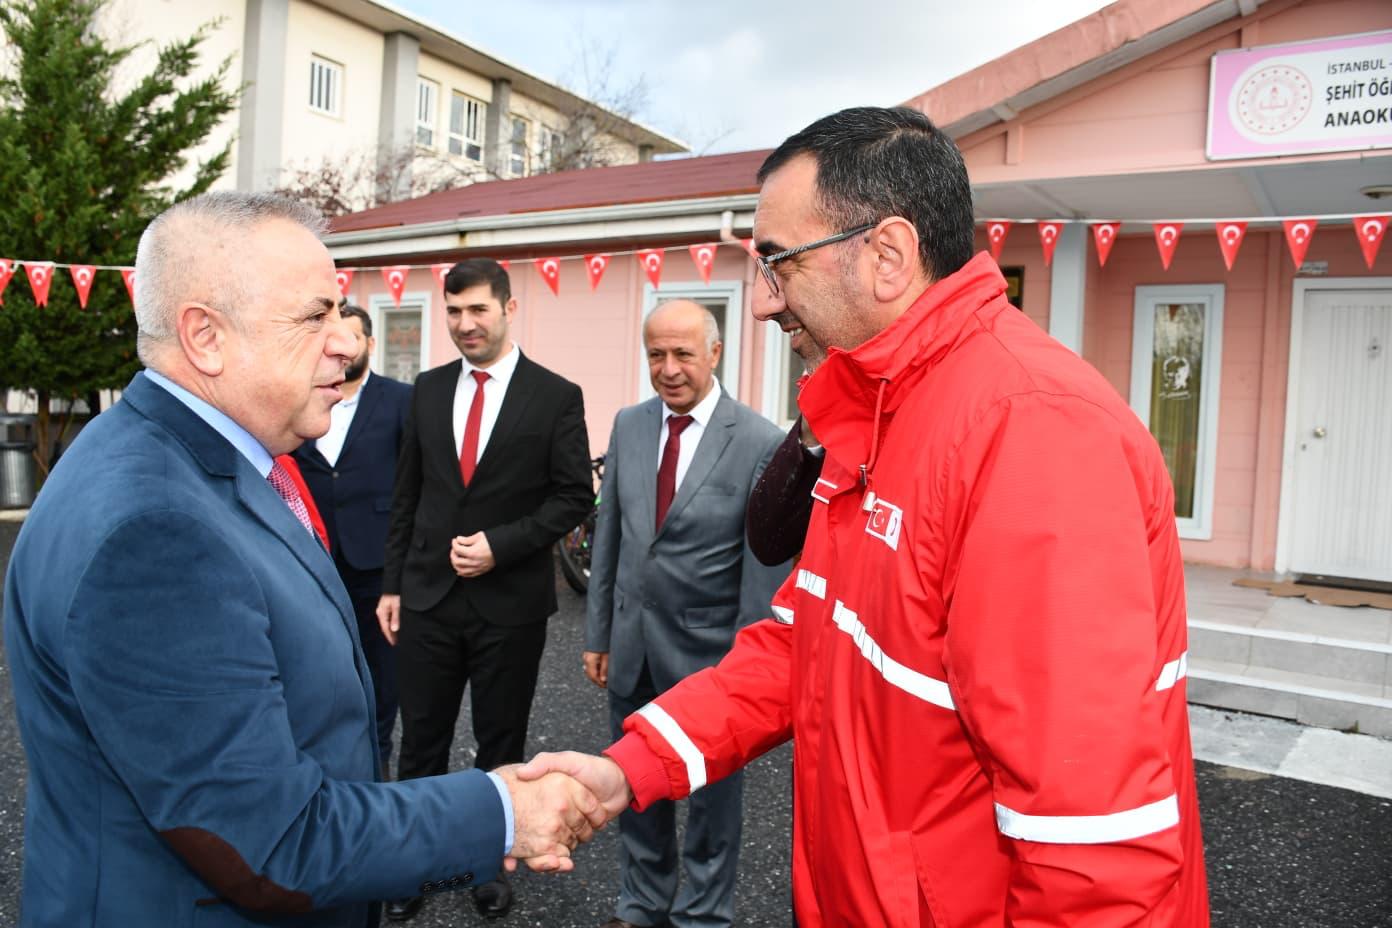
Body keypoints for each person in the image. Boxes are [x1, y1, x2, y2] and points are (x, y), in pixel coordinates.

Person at [520, 107, 1211, 926]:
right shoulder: (880, 408)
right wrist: (631, 768)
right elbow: (798, 643)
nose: (766, 303)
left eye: (779, 263)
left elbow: (1092, 843)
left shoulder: (1030, 430)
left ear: (887, 256)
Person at [2, 193, 606, 927]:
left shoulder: (196, 462)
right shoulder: (157, 531)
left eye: (338, 313)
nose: (345, 344)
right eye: (314, 316)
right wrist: (502, 812)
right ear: (206, 337)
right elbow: (272, 841)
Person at [378, 257, 593, 921]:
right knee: (421, 744)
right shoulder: (428, 388)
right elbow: (408, 492)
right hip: (428, 598)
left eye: (478, 310)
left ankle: (487, 866)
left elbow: (573, 496)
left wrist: (501, 545)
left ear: (507, 308)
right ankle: (412, 867)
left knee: (501, 746)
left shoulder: (555, 395)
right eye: (454, 312)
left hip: (511, 606)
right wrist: (392, 585)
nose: (466, 324)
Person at [583, 300, 789, 928]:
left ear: (716, 354)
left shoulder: (759, 441)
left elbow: (762, 575)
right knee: (635, 787)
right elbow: (610, 535)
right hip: (632, 649)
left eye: (682, 354)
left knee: (712, 804)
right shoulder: (628, 425)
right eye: (655, 354)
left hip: (710, 662)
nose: (668, 369)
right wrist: (599, 633)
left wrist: (745, 673)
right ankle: (642, 903)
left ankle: (703, 913)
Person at [293, 302, 412, 772]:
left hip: (376, 562)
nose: (343, 347)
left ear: (369, 344)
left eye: (355, 336)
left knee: (382, 676)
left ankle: (376, 766)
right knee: (319, 667)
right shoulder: (299, 395)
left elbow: (412, 484)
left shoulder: (401, 399)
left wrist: (400, 579)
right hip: (313, 558)